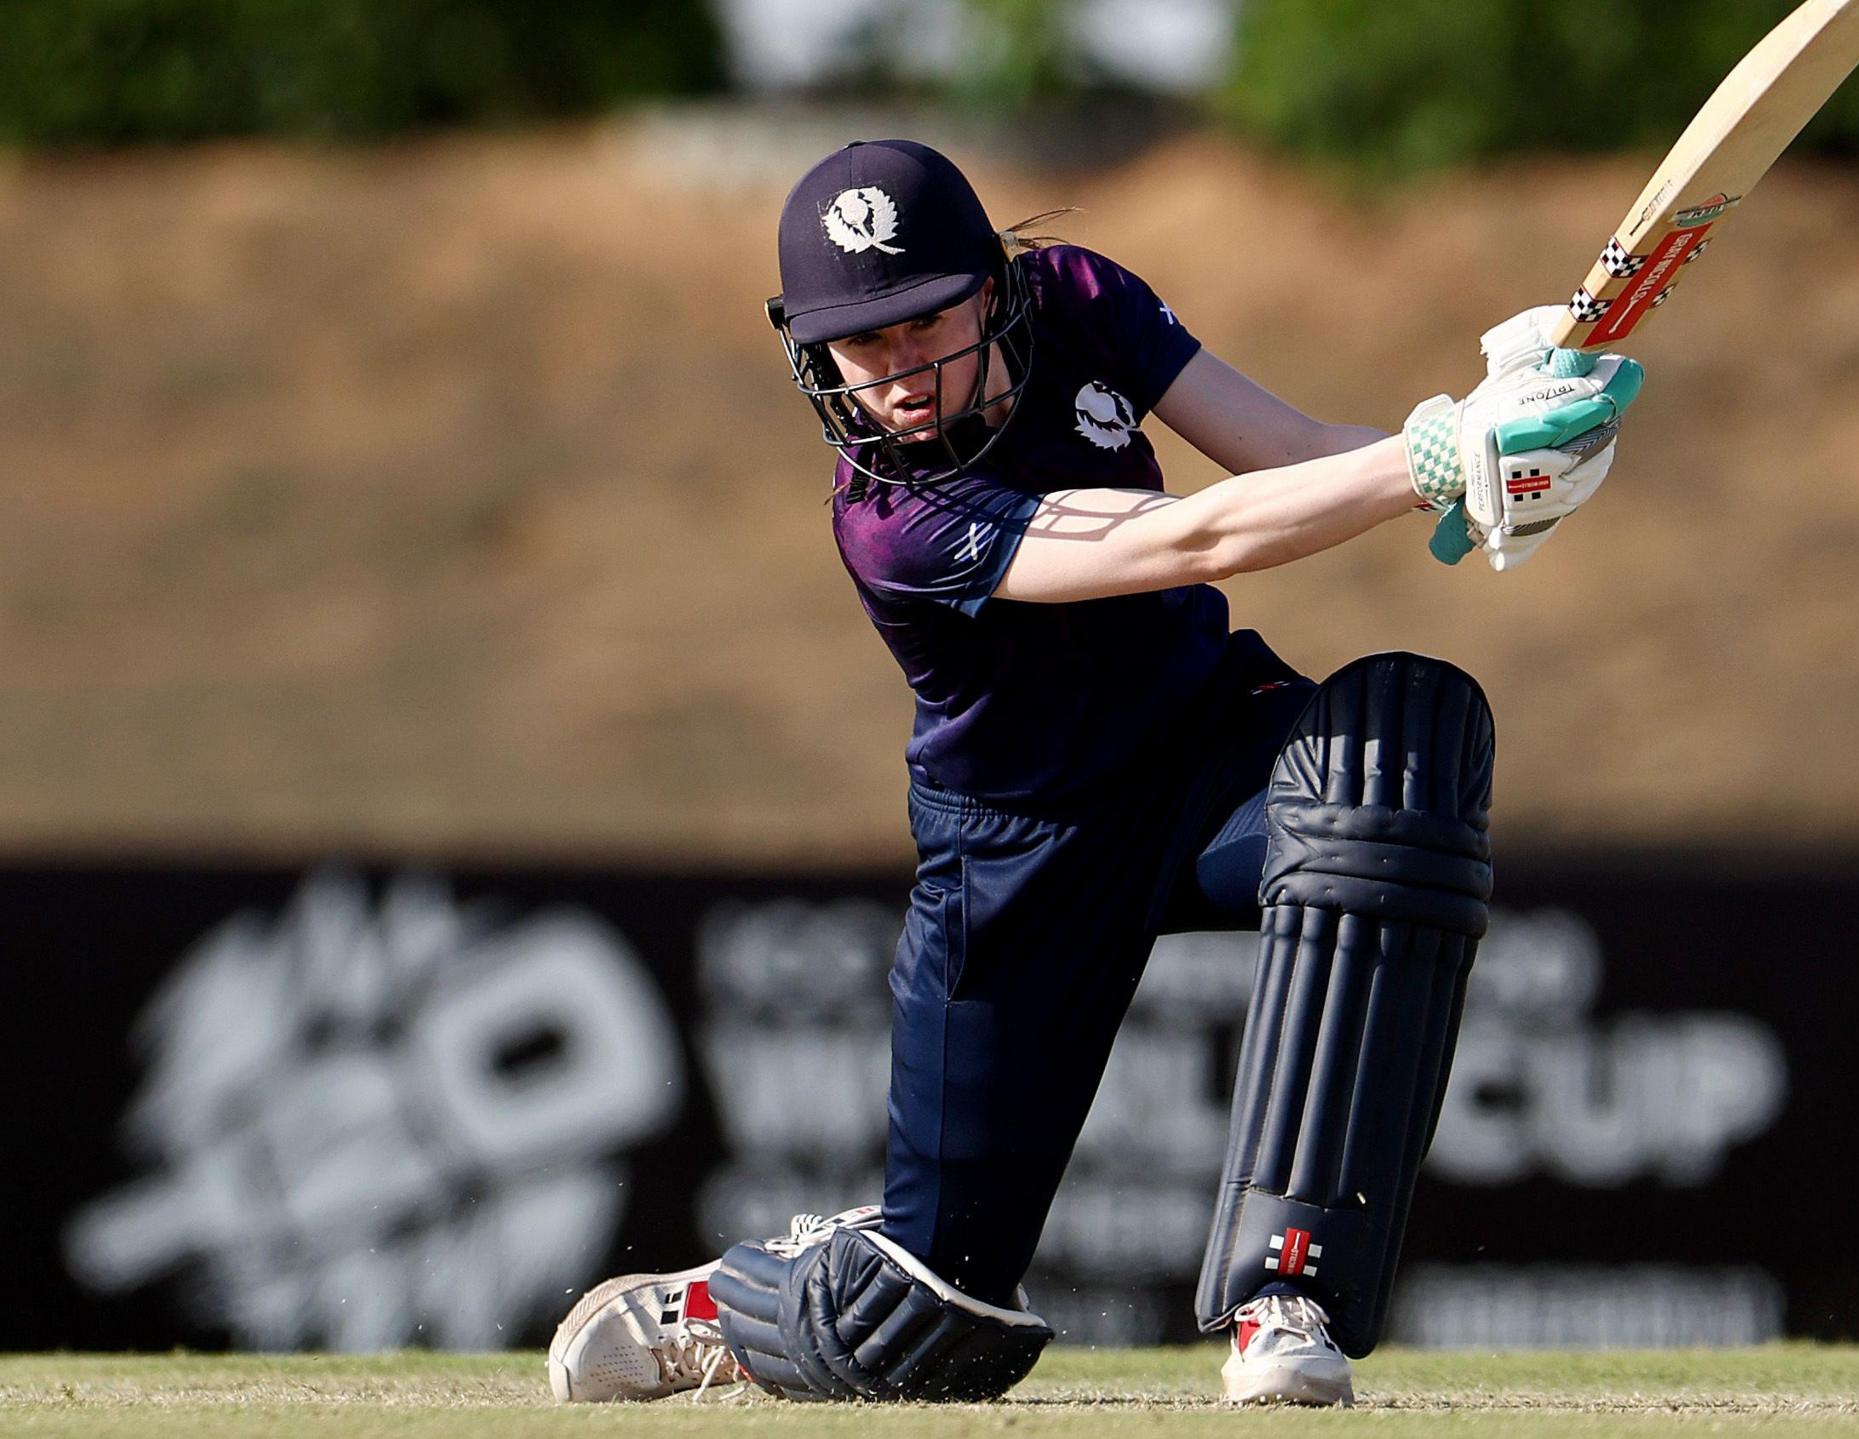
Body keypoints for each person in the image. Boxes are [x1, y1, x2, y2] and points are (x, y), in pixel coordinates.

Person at [546, 138, 1639, 1407]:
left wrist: (1484, 450)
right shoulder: (887, 516)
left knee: (1398, 754)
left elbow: (1279, 456)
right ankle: (719, 1302)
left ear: (994, 287)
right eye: (861, 340)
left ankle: (1288, 1291)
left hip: (1200, 749)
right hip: (1017, 852)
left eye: (922, 320)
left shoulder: (1077, 297)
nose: (896, 369)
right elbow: (1185, 535)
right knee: (920, 1321)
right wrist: (1431, 460)